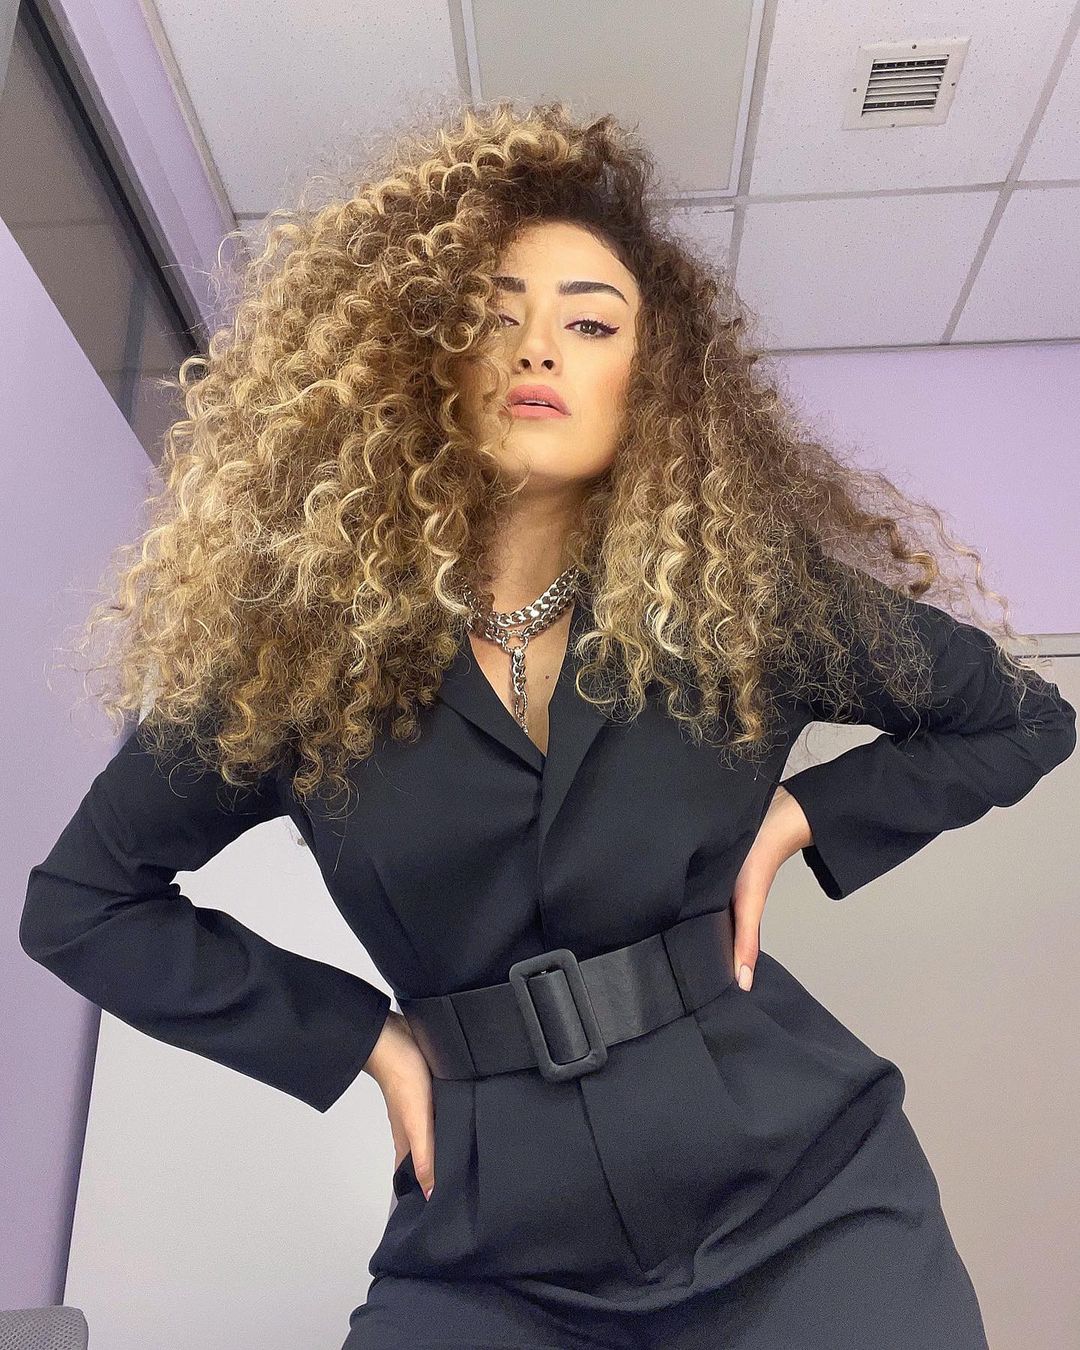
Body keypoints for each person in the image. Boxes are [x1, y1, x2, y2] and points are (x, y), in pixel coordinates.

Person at [20, 98, 1075, 1349]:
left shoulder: (748, 600)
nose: (537, 351)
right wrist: (367, 1042)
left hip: (801, 1200)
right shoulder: (299, 658)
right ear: (425, 361)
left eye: (590, 322)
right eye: (492, 316)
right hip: (490, 1248)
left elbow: (1021, 719)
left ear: (655, 381)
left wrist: (799, 817)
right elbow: (82, 903)